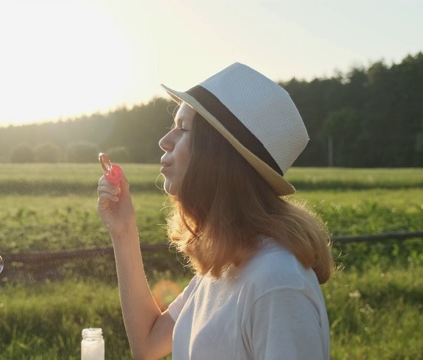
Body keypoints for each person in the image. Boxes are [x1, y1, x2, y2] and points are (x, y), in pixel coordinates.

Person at [97, 62, 335, 360]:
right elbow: (147, 344)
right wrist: (123, 231)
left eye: (183, 129)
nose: (164, 141)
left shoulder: (277, 284)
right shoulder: (226, 265)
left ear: (218, 155)